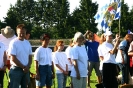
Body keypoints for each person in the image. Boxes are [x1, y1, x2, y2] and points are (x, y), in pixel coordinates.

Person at [8, 24, 32, 88]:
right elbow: (13, 58)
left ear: (25, 32)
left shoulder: (27, 43)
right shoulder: (13, 43)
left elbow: (30, 57)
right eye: (20, 33)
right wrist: (23, 67)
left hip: (26, 70)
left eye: (23, 33)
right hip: (16, 70)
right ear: (17, 32)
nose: (21, 34)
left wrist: (28, 66)